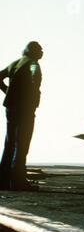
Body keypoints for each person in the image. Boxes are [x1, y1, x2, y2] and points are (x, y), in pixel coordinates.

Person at [0, 41, 43, 191]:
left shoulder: (16, 63)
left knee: (10, 143)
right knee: (22, 144)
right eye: (39, 49)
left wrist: (8, 92)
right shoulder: (33, 65)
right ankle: (18, 181)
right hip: (24, 109)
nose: (42, 52)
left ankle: (3, 180)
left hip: (11, 108)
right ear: (32, 51)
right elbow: (33, 81)